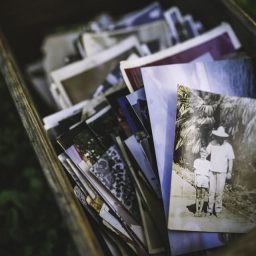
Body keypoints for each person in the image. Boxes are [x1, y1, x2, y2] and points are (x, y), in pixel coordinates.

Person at [206, 126, 235, 217]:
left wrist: (229, 172)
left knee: (219, 191)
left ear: (224, 137)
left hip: (222, 172)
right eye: (219, 137)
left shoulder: (228, 147)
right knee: (211, 191)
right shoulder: (212, 144)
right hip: (212, 171)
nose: (220, 138)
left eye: (222, 137)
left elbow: (230, 159)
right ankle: (209, 210)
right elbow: (205, 153)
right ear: (216, 136)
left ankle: (218, 210)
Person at [193, 148, 210, 217]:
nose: (203, 154)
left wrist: (208, 182)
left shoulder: (209, 163)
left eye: (205, 153)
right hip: (199, 178)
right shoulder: (196, 161)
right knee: (198, 195)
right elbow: (195, 171)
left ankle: (200, 211)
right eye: (202, 153)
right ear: (200, 153)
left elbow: (209, 173)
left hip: (205, 179)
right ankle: (196, 211)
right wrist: (195, 180)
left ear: (207, 155)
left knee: (203, 195)